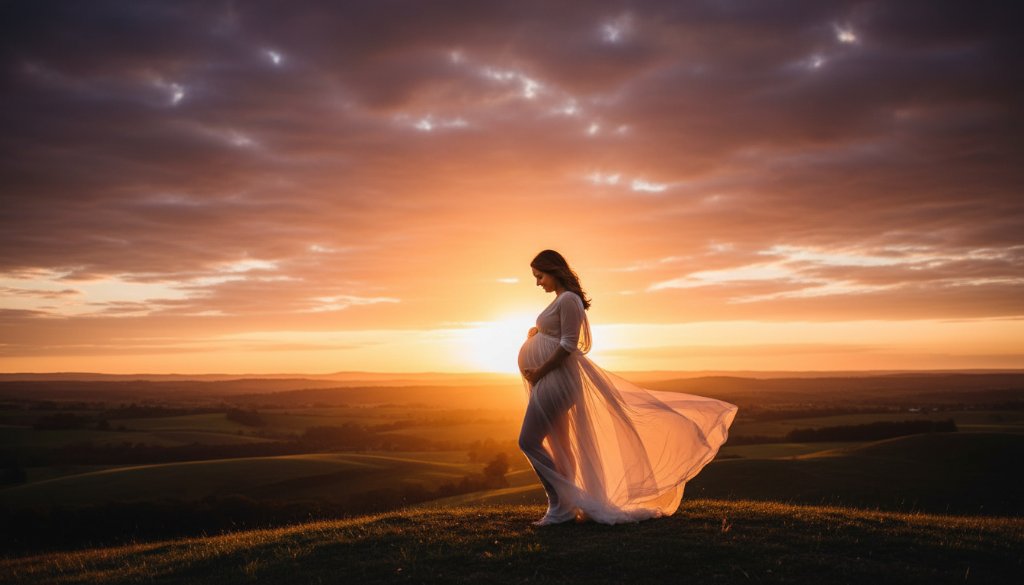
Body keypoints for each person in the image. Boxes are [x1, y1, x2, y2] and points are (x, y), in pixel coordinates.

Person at [517, 249, 738, 525]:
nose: (538, 282)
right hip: (553, 380)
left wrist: (539, 370)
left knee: (528, 440)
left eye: (539, 276)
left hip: (557, 381)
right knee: (559, 443)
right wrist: (538, 334)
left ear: (552, 270)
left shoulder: (569, 300)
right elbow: (558, 335)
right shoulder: (562, 300)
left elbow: (569, 345)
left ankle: (559, 505)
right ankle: (566, 505)